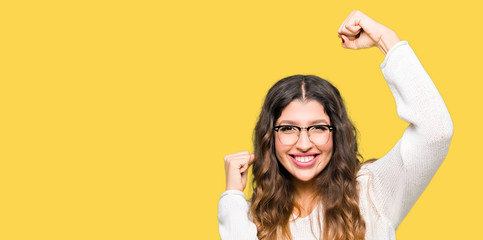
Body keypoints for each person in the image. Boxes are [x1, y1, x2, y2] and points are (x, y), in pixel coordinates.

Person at [218, 10, 453, 240]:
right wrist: (231, 197)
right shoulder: (249, 219)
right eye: (289, 128)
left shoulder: (372, 192)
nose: (303, 143)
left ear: (336, 133)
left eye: (318, 128)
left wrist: (385, 39)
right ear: (270, 136)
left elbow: (436, 131)